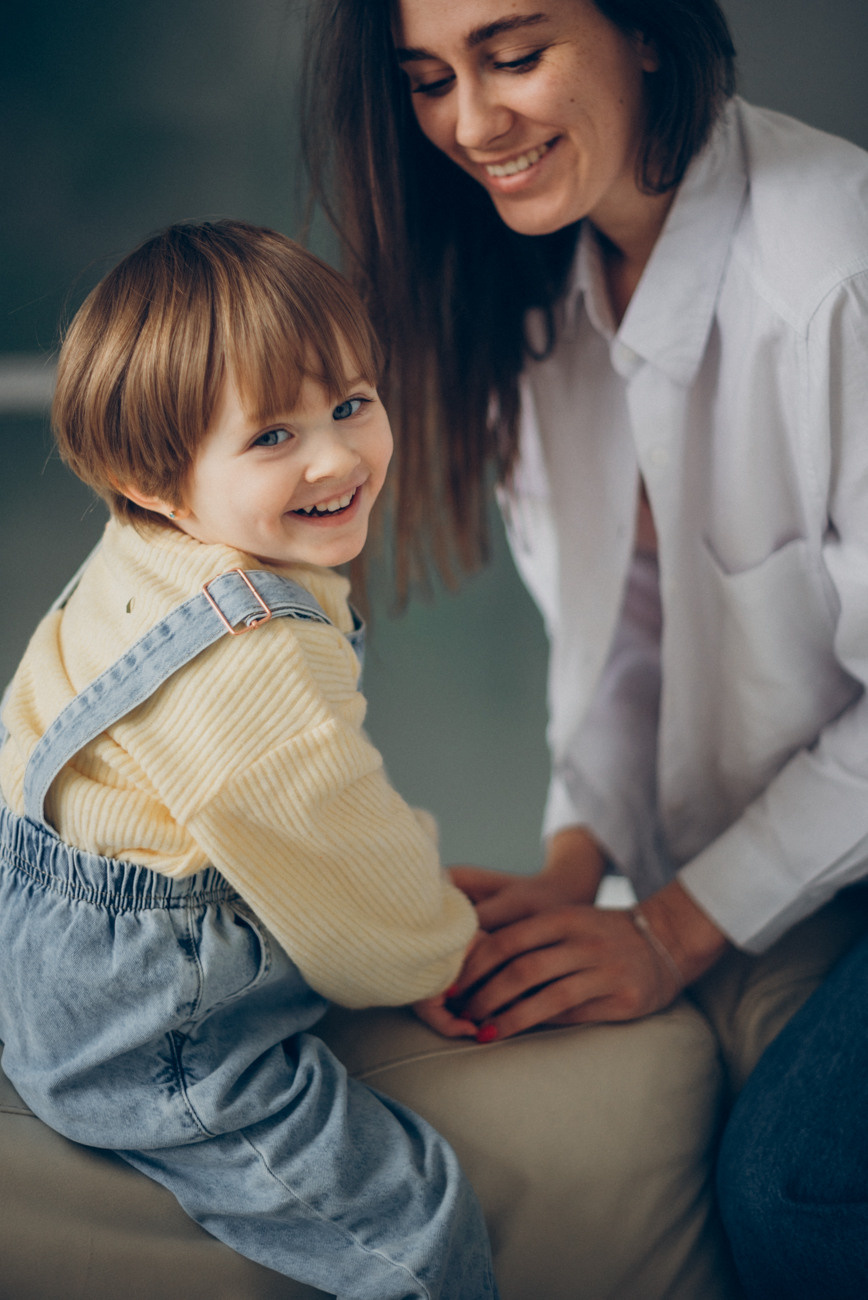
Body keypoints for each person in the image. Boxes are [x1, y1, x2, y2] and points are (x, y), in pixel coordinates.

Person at [302, 0, 868, 1290]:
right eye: (429, 78)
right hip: (796, 835)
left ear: (649, 30)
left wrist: (669, 932)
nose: (470, 122)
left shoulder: (835, 266)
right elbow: (627, 634)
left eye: (514, 56)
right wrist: (576, 864)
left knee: (794, 1184)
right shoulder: (537, 292)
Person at [0, 219, 500, 1300]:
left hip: (33, 923)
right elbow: (352, 874)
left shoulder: (146, 550)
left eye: (351, 403)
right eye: (272, 437)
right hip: (143, 1032)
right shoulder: (255, 663)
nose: (336, 456)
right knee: (415, 1230)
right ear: (157, 477)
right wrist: (441, 946)